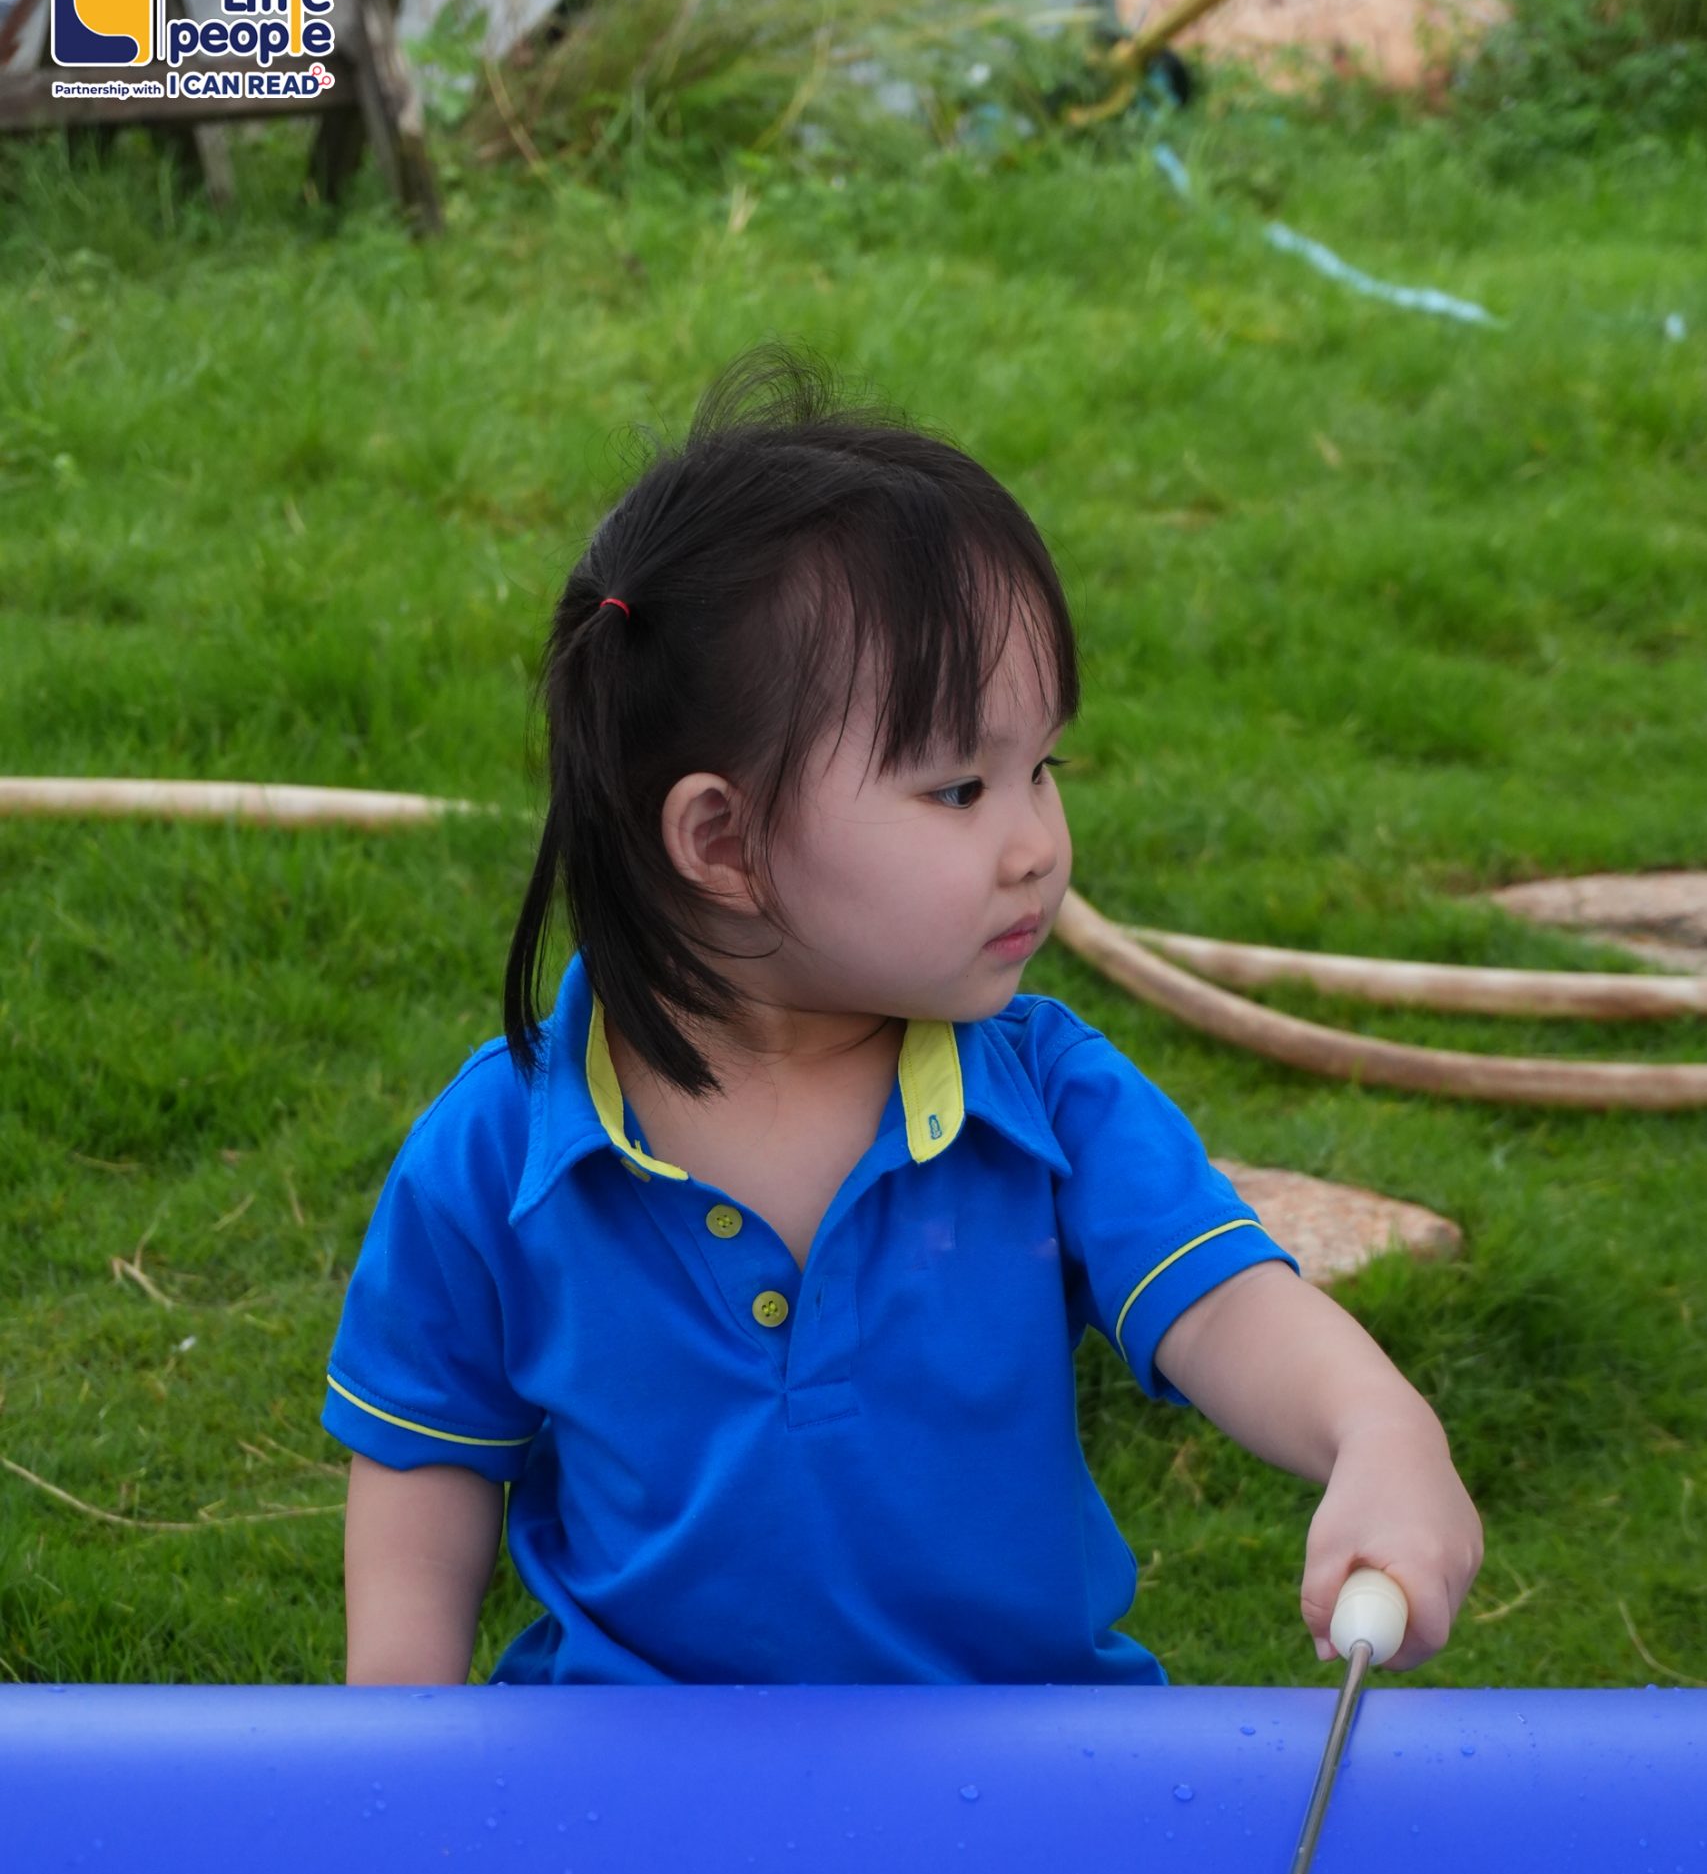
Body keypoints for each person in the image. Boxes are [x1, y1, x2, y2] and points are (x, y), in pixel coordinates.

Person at [326, 344, 1482, 1688]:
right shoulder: (495, 1154)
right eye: (959, 790)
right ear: (723, 840)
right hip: (636, 1774)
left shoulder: (1049, 1102)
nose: (1037, 845)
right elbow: (425, 1468)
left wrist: (1378, 1426)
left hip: (1016, 1763)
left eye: (1043, 767)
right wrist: (396, 1764)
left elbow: (1227, 1309)